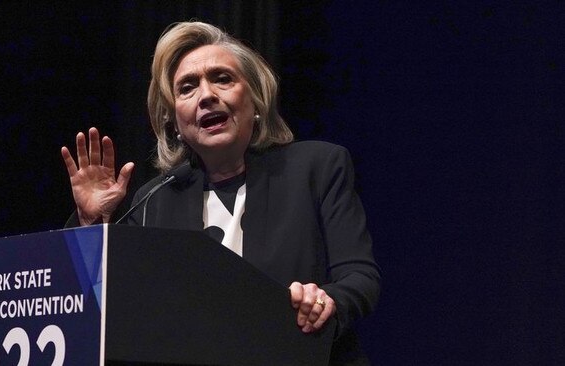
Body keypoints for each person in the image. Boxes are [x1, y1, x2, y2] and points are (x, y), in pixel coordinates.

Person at [61, 21, 380, 365]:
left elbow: (360, 277)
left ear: (255, 99)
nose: (207, 95)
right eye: (187, 88)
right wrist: (90, 223)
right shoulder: (157, 199)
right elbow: (100, 305)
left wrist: (325, 301)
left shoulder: (316, 167)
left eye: (222, 78)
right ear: (174, 123)